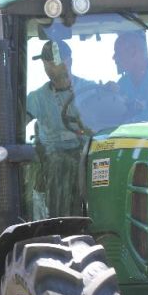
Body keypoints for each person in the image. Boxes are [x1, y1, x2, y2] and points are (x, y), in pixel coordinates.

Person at [26, 40, 95, 218]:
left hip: (89, 152)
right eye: (45, 63)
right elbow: (17, 125)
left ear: (68, 61)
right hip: (53, 156)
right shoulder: (37, 98)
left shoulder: (91, 90)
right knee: (61, 163)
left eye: (52, 62)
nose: (48, 67)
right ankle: (62, 222)